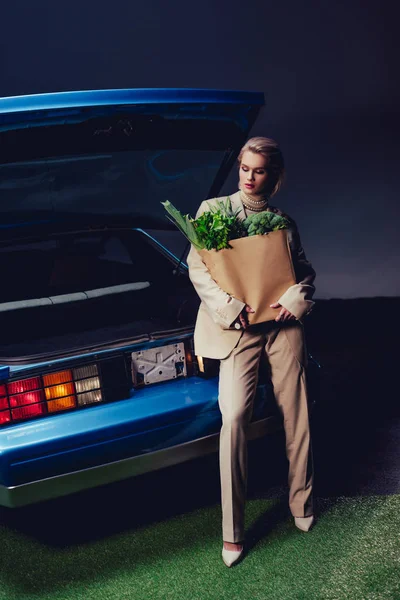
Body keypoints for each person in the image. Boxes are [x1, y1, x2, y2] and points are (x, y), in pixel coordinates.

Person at [186, 137, 316, 567]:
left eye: (259, 170)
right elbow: (199, 266)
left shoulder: (284, 221)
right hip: (237, 328)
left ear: (274, 176)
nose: (249, 177)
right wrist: (228, 308)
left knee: (297, 411)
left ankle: (301, 503)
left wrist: (296, 299)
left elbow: (305, 272)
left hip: (281, 326)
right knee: (235, 415)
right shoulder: (213, 212)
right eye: (244, 168)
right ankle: (233, 531)